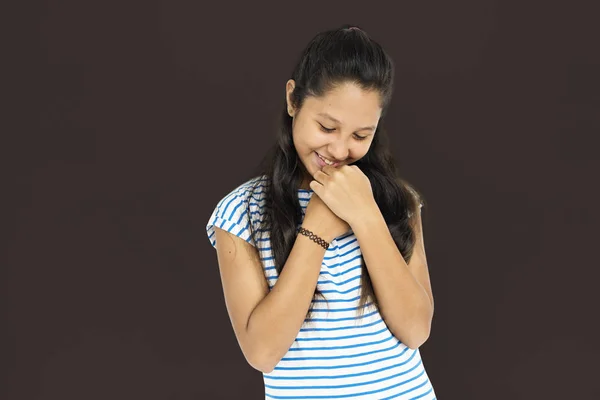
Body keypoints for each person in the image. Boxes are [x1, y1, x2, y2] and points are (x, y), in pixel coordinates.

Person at [206, 24, 437, 399]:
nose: (341, 149)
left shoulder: (399, 200)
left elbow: (416, 329)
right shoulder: (242, 213)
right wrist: (316, 227)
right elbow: (263, 352)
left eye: (361, 135)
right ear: (293, 100)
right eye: (327, 127)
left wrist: (365, 215)